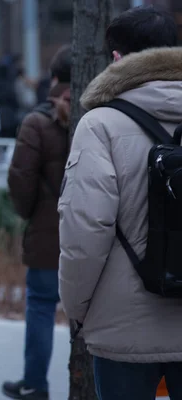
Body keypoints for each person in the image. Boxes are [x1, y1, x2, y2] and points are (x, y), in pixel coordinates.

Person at [58, 6, 182, 399]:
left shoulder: (100, 126)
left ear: (116, 59)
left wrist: (77, 310)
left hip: (123, 326)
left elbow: (85, 230)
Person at [3, 45, 71, 400]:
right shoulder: (105, 114)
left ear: (55, 78)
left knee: (42, 307)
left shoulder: (37, 123)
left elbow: (21, 180)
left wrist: (30, 214)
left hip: (48, 234)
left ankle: (35, 383)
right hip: (100, 238)